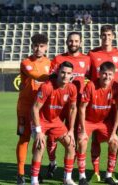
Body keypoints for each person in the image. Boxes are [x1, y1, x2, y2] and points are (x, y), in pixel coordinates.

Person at [46, 32, 91, 179]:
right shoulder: (59, 59)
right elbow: (51, 78)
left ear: (81, 43)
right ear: (66, 42)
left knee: (76, 137)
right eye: (71, 41)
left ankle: (71, 171)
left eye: (76, 41)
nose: (73, 43)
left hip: (76, 106)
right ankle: (52, 162)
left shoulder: (87, 59)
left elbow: (93, 78)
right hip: (58, 105)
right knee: (52, 137)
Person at [88, 24, 118, 182]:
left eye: (109, 35)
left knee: (113, 137)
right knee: (95, 138)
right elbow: (87, 74)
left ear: (114, 36)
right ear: (100, 36)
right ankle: (96, 171)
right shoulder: (92, 54)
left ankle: (109, 173)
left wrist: (113, 87)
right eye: (104, 35)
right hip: (96, 101)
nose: (106, 37)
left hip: (113, 102)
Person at [30, 61, 77, 185]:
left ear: (72, 75)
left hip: (55, 121)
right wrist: (38, 131)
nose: (65, 76)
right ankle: (34, 180)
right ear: (57, 72)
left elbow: (73, 109)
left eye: (68, 73)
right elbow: (35, 108)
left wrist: (71, 130)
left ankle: (67, 178)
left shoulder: (72, 88)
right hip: (40, 121)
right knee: (40, 146)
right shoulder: (47, 86)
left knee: (71, 145)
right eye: (63, 72)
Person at [76, 62, 118, 185]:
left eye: (110, 74)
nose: (107, 77)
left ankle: (108, 175)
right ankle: (82, 176)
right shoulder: (90, 85)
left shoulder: (116, 87)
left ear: (114, 75)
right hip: (88, 121)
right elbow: (82, 108)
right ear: (99, 73)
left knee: (114, 142)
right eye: (104, 74)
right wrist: (83, 130)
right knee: (81, 141)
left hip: (104, 122)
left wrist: (114, 133)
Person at [16, 33, 51, 185]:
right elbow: (35, 75)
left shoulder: (50, 62)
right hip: (25, 107)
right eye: (36, 46)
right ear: (32, 46)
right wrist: (55, 75)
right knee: (24, 139)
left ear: (46, 47)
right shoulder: (26, 62)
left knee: (39, 141)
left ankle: (34, 173)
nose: (38, 49)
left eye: (42, 46)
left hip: (41, 108)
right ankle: (20, 173)